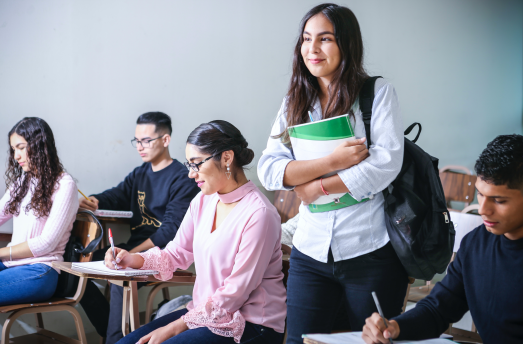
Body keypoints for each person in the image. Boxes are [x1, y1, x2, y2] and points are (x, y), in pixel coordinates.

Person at [257, 3, 408, 343]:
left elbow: (385, 165)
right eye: (307, 39)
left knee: (371, 341)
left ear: (346, 44)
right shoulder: (294, 100)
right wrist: (332, 163)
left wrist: (314, 189)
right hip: (310, 252)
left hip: (369, 249)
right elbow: (269, 169)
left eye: (325, 39)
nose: (312, 49)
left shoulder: (376, 94)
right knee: (299, 341)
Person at [108, 120, 286, 344]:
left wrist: (173, 329)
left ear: (227, 157)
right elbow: (176, 253)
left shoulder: (260, 214)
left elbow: (234, 293)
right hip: (205, 316)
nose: (191, 174)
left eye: (196, 164)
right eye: (189, 165)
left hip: (251, 325)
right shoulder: (203, 200)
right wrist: (132, 259)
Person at [362, 134, 523, 344]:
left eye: (499, 200)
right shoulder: (475, 244)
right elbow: (439, 309)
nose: (483, 210)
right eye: (480, 195)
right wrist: (396, 327)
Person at [78, 112, 200, 343]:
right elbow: (117, 195)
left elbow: (169, 232)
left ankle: (113, 339)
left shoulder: (182, 178)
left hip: (162, 252)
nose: (140, 147)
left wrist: (133, 254)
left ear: (165, 140)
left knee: (119, 276)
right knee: (80, 266)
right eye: (137, 141)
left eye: (147, 141)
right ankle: (109, 329)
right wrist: (95, 200)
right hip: (133, 248)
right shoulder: (140, 174)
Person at [0, 117, 78, 306]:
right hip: (11, 265)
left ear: (39, 145)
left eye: (21, 147)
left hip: (39, 271)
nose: (16, 156)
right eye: (13, 149)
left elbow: (46, 243)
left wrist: (1, 252)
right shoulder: (21, 183)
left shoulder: (64, 184)